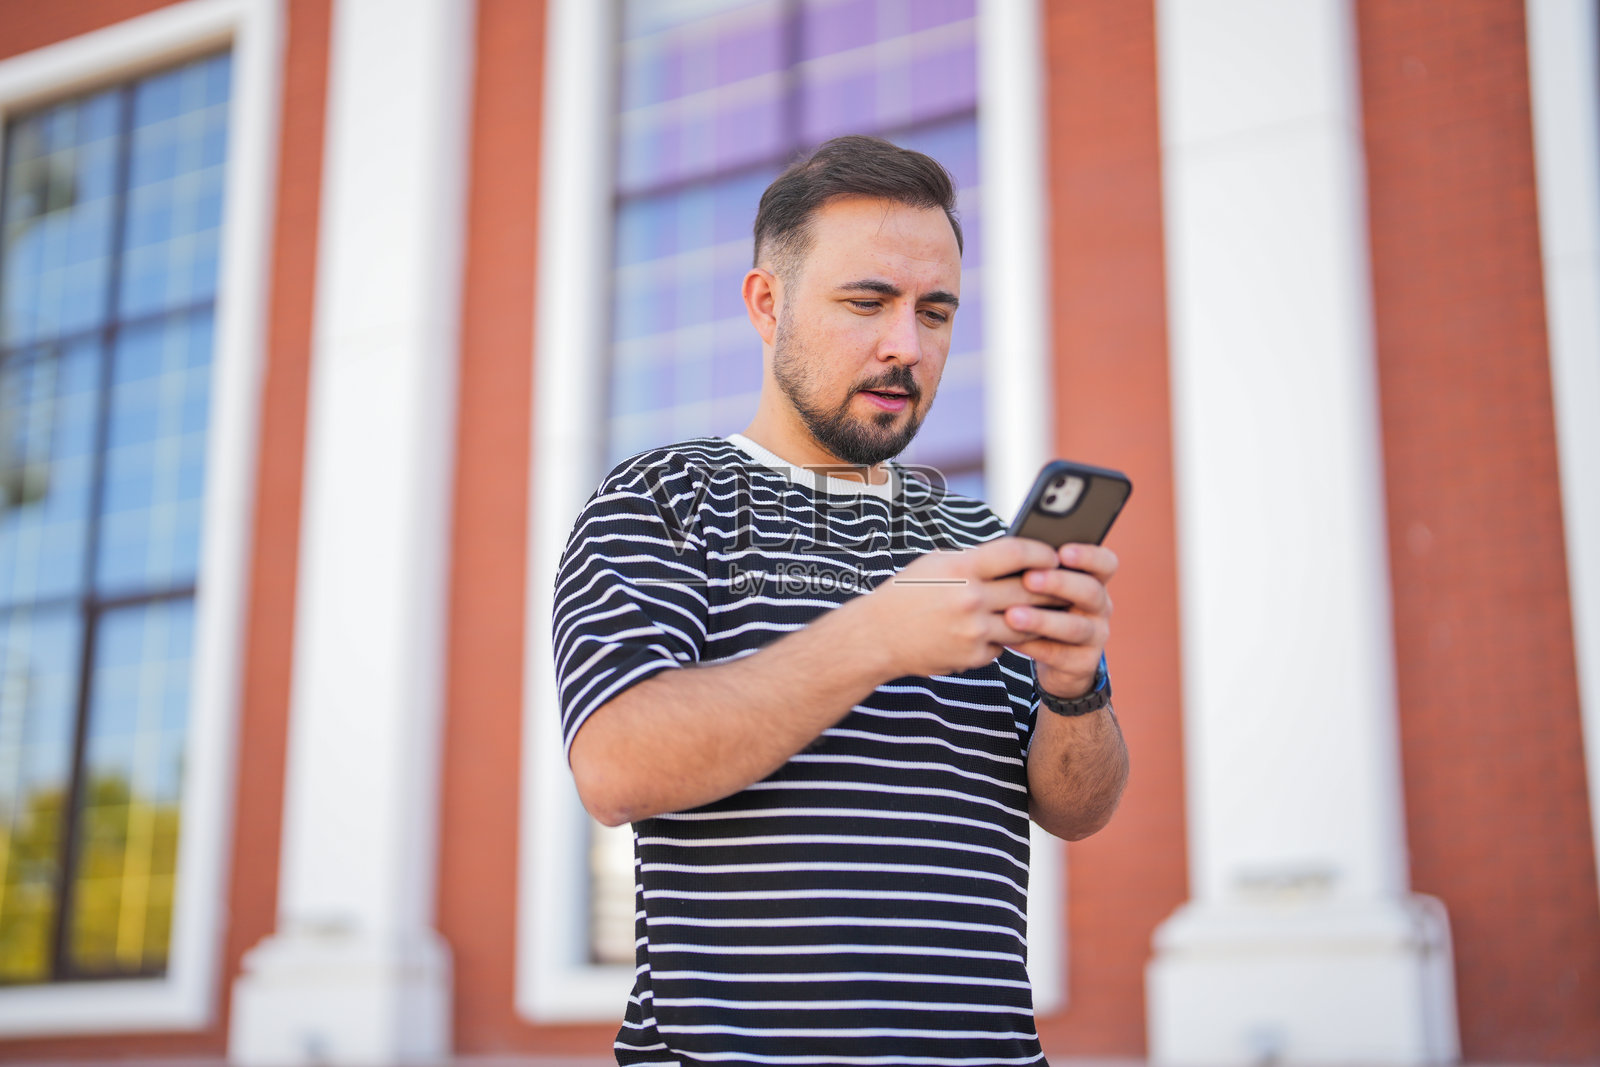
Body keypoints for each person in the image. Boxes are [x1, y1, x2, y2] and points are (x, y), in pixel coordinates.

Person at [553, 135, 1128, 1065]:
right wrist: (875, 636)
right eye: (867, 302)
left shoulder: (981, 536)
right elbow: (615, 765)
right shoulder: (662, 498)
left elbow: (1076, 808)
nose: (906, 344)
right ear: (767, 304)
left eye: (934, 311)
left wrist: (1074, 686)